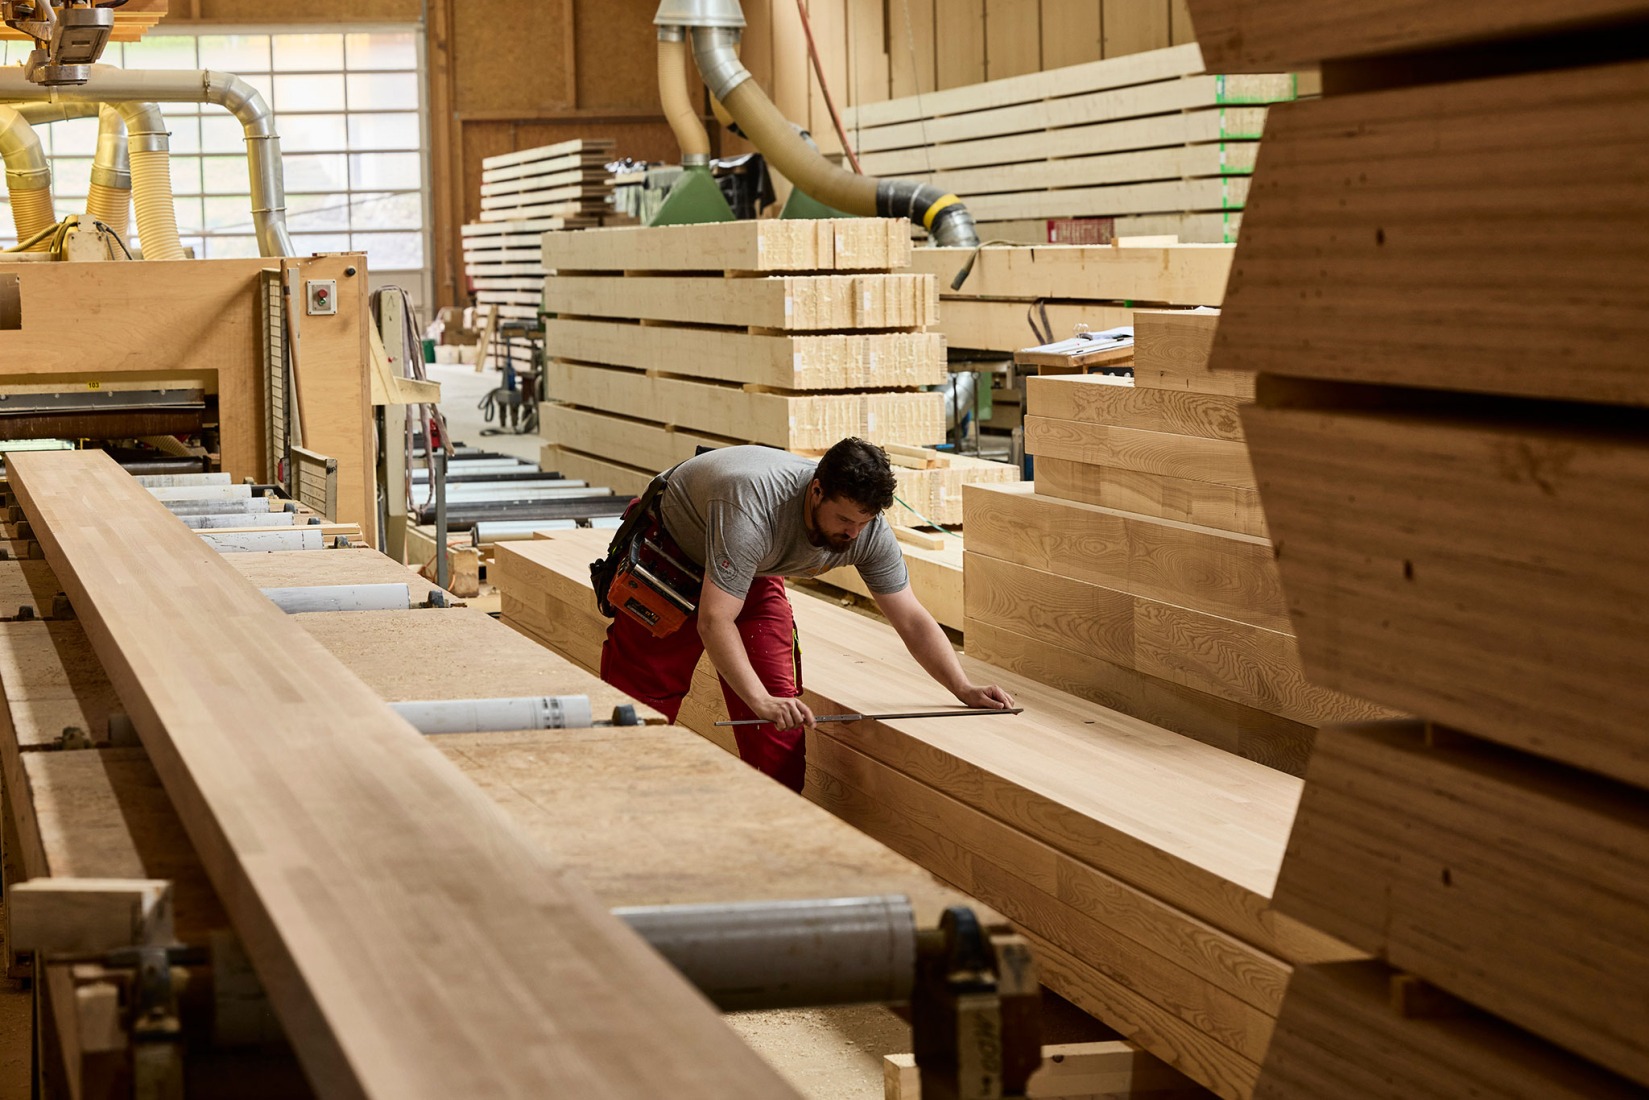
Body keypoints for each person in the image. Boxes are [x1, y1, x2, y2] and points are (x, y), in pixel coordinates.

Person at [599, 437, 1014, 791]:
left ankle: (781, 845)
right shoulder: (752, 508)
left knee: (782, 724)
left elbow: (910, 618)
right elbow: (714, 620)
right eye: (844, 519)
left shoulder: (866, 532)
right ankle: (619, 814)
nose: (852, 534)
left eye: (863, 522)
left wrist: (962, 687)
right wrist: (758, 700)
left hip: (753, 568)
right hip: (674, 554)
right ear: (816, 491)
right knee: (642, 703)